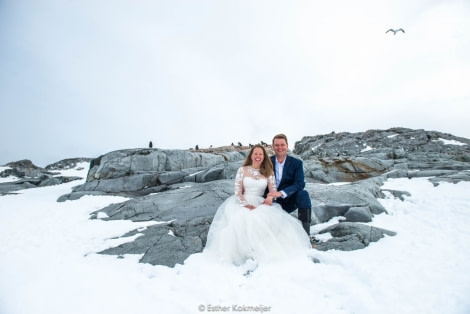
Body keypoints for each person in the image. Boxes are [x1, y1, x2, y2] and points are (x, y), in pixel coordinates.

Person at [204, 144, 311, 265]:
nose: (258, 156)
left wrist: (270, 197)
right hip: (243, 201)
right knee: (243, 219)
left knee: (266, 219)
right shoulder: (242, 170)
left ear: (264, 157)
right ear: (251, 155)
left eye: (261, 154)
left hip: (260, 201)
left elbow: (272, 190)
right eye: (255, 153)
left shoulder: (268, 172)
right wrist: (245, 204)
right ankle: (245, 251)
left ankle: (265, 250)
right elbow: (237, 192)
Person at [266, 134, 312, 237]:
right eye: (277, 145)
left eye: (282, 144)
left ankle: (305, 235)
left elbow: (299, 184)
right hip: (268, 200)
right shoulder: (267, 162)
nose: (280, 147)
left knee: (303, 194)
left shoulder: (297, 163)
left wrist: (281, 193)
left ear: (287, 146)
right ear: (273, 147)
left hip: (287, 200)